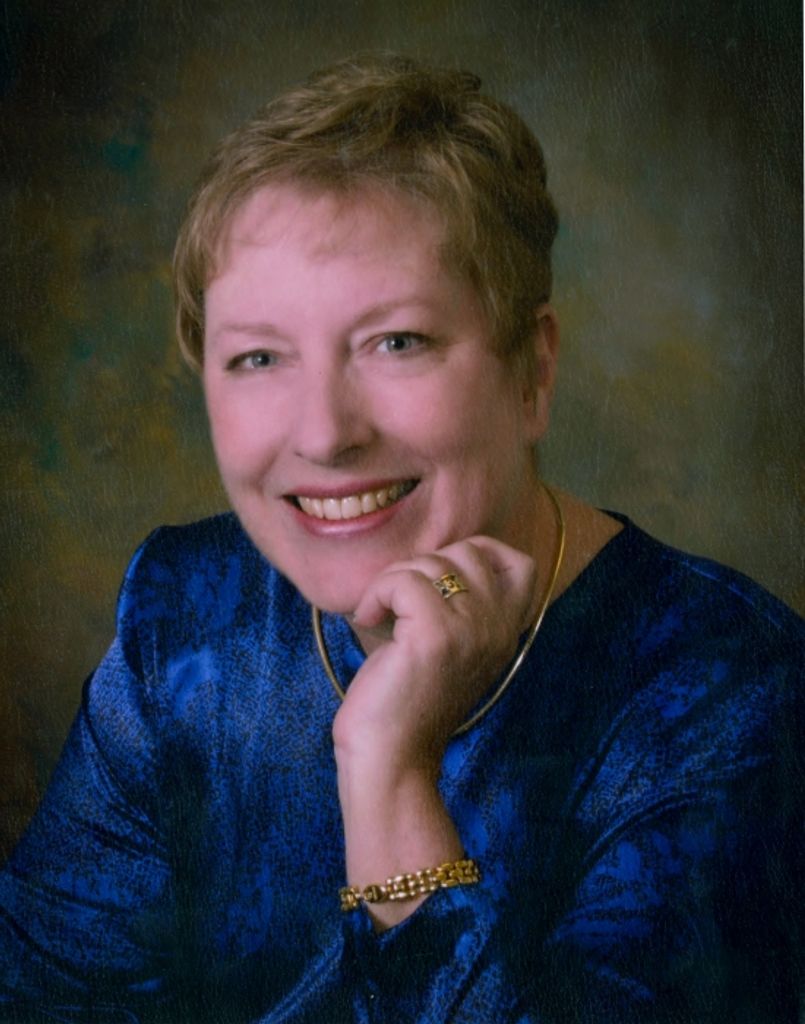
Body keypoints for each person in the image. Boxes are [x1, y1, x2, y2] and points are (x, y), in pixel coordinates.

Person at [0, 54, 801, 1024]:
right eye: (258, 356)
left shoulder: (731, 695)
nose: (324, 433)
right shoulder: (186, 616)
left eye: (396, 342)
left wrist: (388, 770)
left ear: (531, 370)